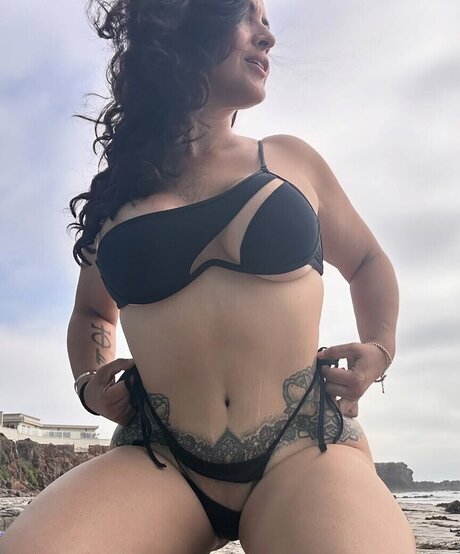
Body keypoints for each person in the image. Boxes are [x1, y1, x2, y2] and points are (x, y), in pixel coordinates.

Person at [1, 0, 417, 552]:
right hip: (160, 459)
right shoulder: (116, 198)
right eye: (246, 15)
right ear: (180, 22)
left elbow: (367, 262)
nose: (267, 37)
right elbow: (92, 312)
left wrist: (379, 349)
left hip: (301, 448)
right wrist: (89, 384)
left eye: (267, 21)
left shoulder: (291, 160)